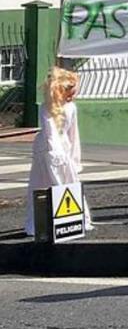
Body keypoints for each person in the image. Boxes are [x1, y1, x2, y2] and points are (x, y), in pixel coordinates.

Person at [25, 67, 90, 237]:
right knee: (42, 184)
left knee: (67, 181)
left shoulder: (71, 108)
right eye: (70, 91)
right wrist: (56, 152)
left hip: (61, 149)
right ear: (61, 90)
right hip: (46, 149)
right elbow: (49, 131)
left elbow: (74, 134)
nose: (73, 96)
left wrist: (75, 160)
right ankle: (37, 223)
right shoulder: (46, 107)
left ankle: (70, 219)